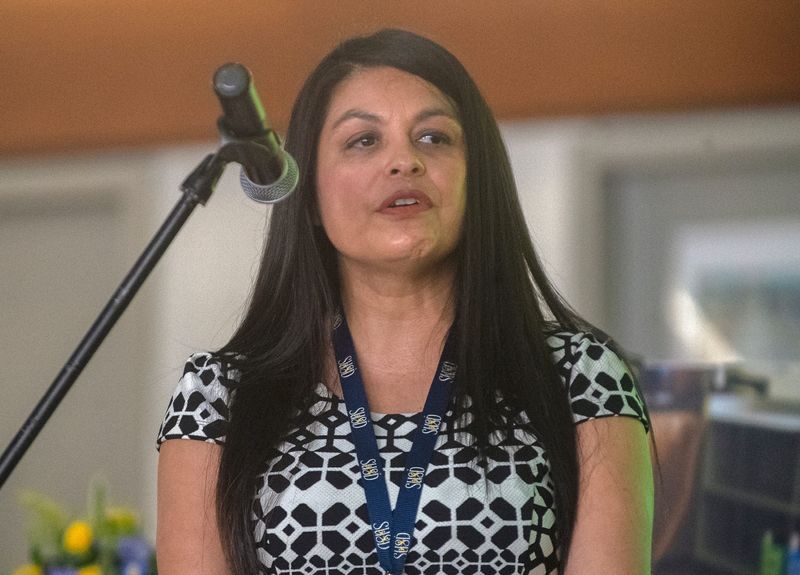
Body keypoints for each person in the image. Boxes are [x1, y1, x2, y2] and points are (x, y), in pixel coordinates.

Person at [156, 28, 653, 575]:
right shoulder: (218, 395)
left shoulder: (582, 376)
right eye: (363, 141)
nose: (404, 162)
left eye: (435, 137)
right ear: (311, 197)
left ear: (477, 181)